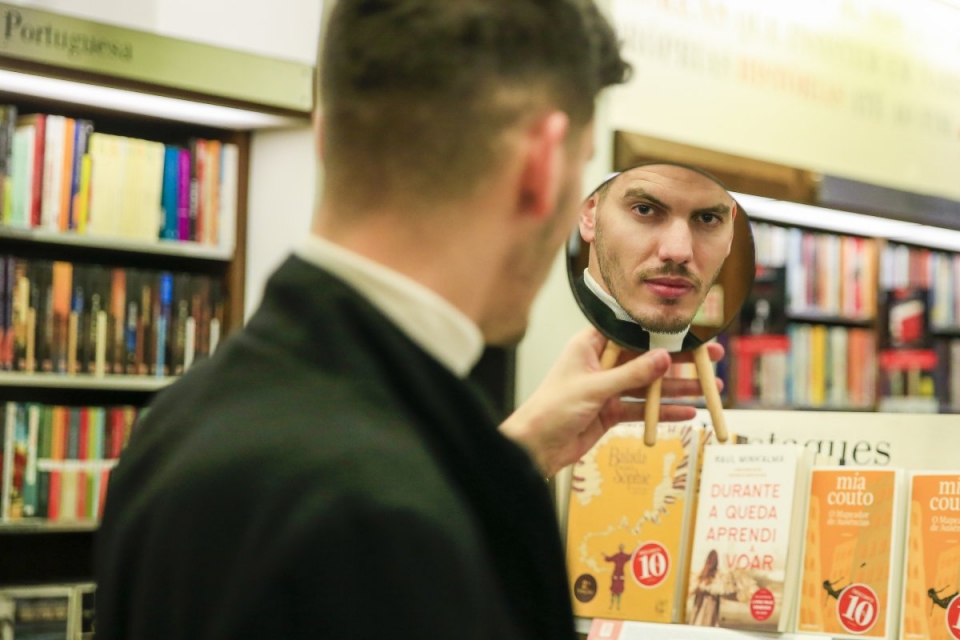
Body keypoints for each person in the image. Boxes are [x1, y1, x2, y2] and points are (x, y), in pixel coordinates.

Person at [93, 2, 723, 639]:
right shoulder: (389, 519)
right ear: (541, 165)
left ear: (325, 133)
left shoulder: (176, 422)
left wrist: (510, 455)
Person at [575, 163, 737, 351]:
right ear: (590, 217)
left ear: (730, 234)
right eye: (644, 209)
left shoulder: (708, 360)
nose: (678, 252)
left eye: (708, 218)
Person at [604, 544, 633, 610]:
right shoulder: (623, 556)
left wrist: (605, 556)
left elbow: (608, 559)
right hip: (619, 574)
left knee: (615, 591)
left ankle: (615, 606)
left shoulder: (617, 555)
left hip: (617, 574)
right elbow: (631, 556)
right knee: (616, 591)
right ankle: (615, 605)